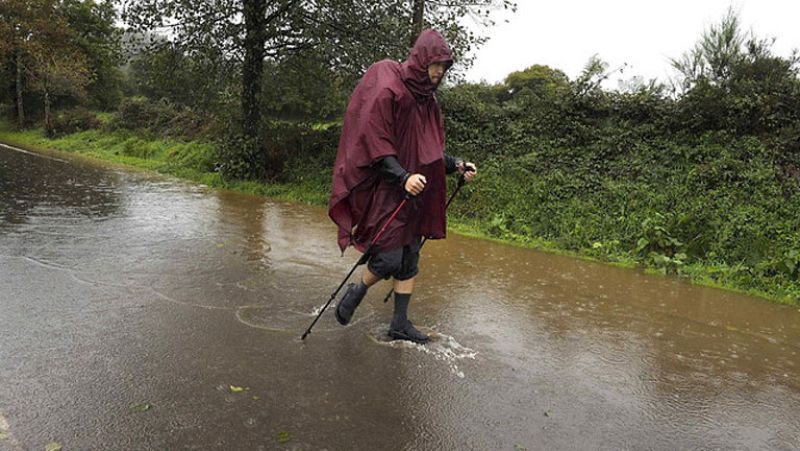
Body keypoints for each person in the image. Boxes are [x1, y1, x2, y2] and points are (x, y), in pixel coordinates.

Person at [328, 29, 477, 344]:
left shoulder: (428, 103)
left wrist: (457, 165)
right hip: (389, 190)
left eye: (445, 66)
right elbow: (375, 143)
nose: (439, 71)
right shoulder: (391, 89)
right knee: (388, 258)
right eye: (435, 63)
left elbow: (429, 153)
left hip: (417, 195)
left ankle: (399, 324)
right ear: (422, 58)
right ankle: (358, 290)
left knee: (409, 260)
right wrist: (402, 177)